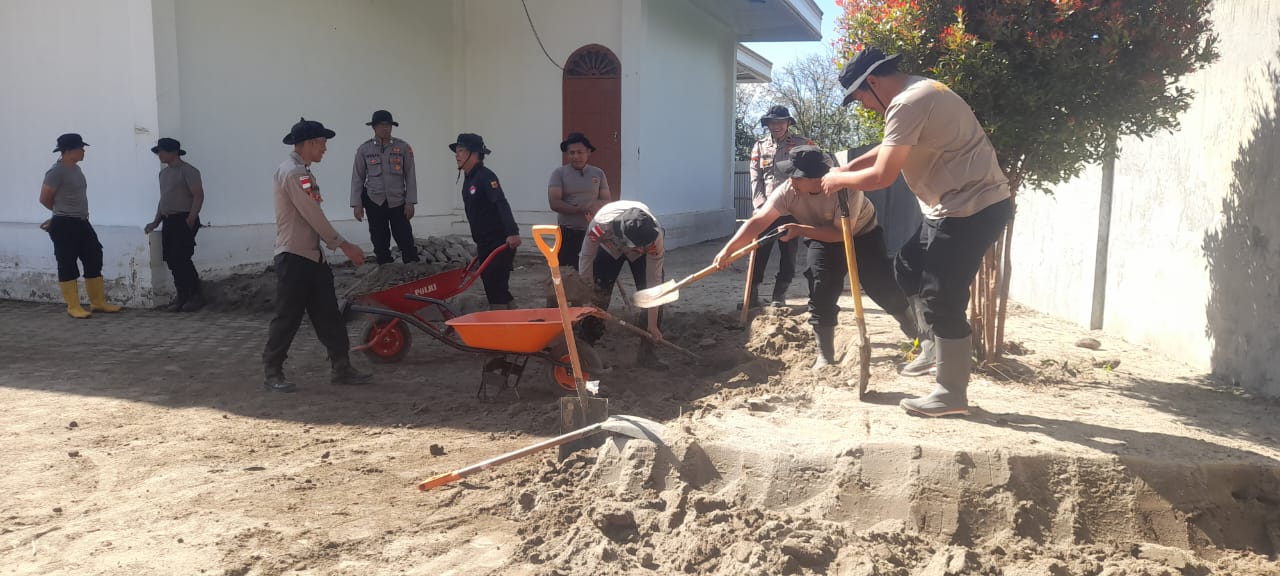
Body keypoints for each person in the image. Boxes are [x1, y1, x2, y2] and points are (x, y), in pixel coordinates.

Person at [823, 46, 1013, 417]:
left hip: (972, 208)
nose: (863, 105)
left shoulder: (907, 103)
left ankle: (950, 392)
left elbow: (882, 175)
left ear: (873, 82)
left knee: (942, 296)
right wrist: (842, 171)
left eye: (860, 97)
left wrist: (838, 179)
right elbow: (886, 150)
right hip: (949, 207)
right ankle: (930, 346)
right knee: (908, 266)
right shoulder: (923, 90)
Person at [715, 145, 917, 370]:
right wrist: (728, 250)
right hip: (820, 236)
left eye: (797, 177)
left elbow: (840, 233)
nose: (791, 181)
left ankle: (916, 334)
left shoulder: (846, 189)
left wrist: (800, 230)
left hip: (861, 235)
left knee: (881, 286)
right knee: (820, 284)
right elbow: (759, 221)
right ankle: (825, 355)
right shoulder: (788, 190)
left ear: (814, 179)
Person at [262, 118, 372, 393]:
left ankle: (341, 367)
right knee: (288, 316)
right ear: (309, 143)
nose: (324, 149)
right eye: (322, 144)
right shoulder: (293, 173)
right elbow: (313, 214)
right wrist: (343, 244)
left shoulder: (301, 171)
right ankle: (272, 371)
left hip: (311, 257)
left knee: (328, 315)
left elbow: (313, 214)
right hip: (294, 256)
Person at [38, 133, 121, 318]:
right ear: (68, 151)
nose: (84, 151)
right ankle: (73, 306)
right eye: (80, 148)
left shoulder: (76, 169)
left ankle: (98, 302)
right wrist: (59, 215)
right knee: (67, 261)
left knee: (94, 255)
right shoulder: (56, 172)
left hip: (82, 221)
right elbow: (44, 198)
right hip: (65, 223)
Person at [578, 200, 666, 368]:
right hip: (610, 248)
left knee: (655, 295)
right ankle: (584, 349)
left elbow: (654, 285)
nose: (641, 250)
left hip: (641, 259)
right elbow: (586, 257)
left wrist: (652, 324)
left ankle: (647, 354)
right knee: (598, 294)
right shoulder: (600, 226)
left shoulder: (655, 238)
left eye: (644, 246)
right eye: (638, 247)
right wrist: (586, 294)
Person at [746, 105, 813, 309]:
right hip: (766, 209)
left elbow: (815, 168)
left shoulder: (802, 144)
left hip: (792, 209)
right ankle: (753, 294)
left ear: (788, 123)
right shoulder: (759, 147)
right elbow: (755, 178)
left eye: (781, 122)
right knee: (758, 251)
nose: (777, 126)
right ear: (767, 124)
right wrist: (759, 205)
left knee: (788, 253)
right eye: (773, 122)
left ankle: (779, 295)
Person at [453, 133, 521, 309]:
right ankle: (517, 321)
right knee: (496, 288)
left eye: (461, 150)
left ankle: (500, 329)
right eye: (456, 151)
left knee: (495, 287)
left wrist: (512, 232)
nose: (456, 155)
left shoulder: (486, 177)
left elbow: (501, 202)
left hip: (499, 241)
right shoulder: (468, 179)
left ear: (474, 154)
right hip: (484, 242)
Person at [144, 137, 206, 312]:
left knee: (182, 257)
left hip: (184, 218)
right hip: (168, 219)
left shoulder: (188, 170)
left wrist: (191, 218)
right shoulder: (163, 174)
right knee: (171, 259)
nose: (159, 155)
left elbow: (198, 195)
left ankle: (196, 295)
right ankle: (182, 295)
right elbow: (164, 199)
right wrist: (156, 221)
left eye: (162, 151)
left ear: (173, 152)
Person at [350, 110, 419, 264]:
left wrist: (410, 202)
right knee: (379, 239)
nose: (385, 128)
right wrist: (357, 204)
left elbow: (410, 175)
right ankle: (385, 268)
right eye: (381, 125)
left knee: (405, 237)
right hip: (374, 201)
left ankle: (413, 268)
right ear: (374, 127)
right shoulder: (364, 149)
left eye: (388, 125)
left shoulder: (403, 147)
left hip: (398, 201)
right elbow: (357, 178)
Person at [547, 132, 611, 269]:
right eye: (572, 152)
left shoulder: (598, 173)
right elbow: (554, 203)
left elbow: (607, 201)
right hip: (567, 233)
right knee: (568, 274)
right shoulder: (559, 174)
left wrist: (596, 207)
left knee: (593, 273)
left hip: (594, 232)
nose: (576, 156)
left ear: (588, 152)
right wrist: (580, 209)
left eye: (580, 152)